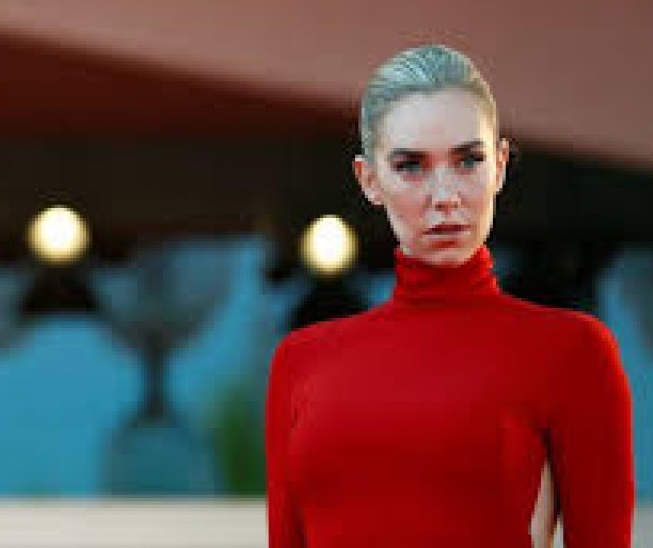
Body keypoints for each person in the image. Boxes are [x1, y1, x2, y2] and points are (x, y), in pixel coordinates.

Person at [264, 44, 635, 547]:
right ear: (369, 180)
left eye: (468, 161)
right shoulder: (301, 362)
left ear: (500, 166)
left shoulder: (572, 352)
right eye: (411, 166)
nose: (445, 196)